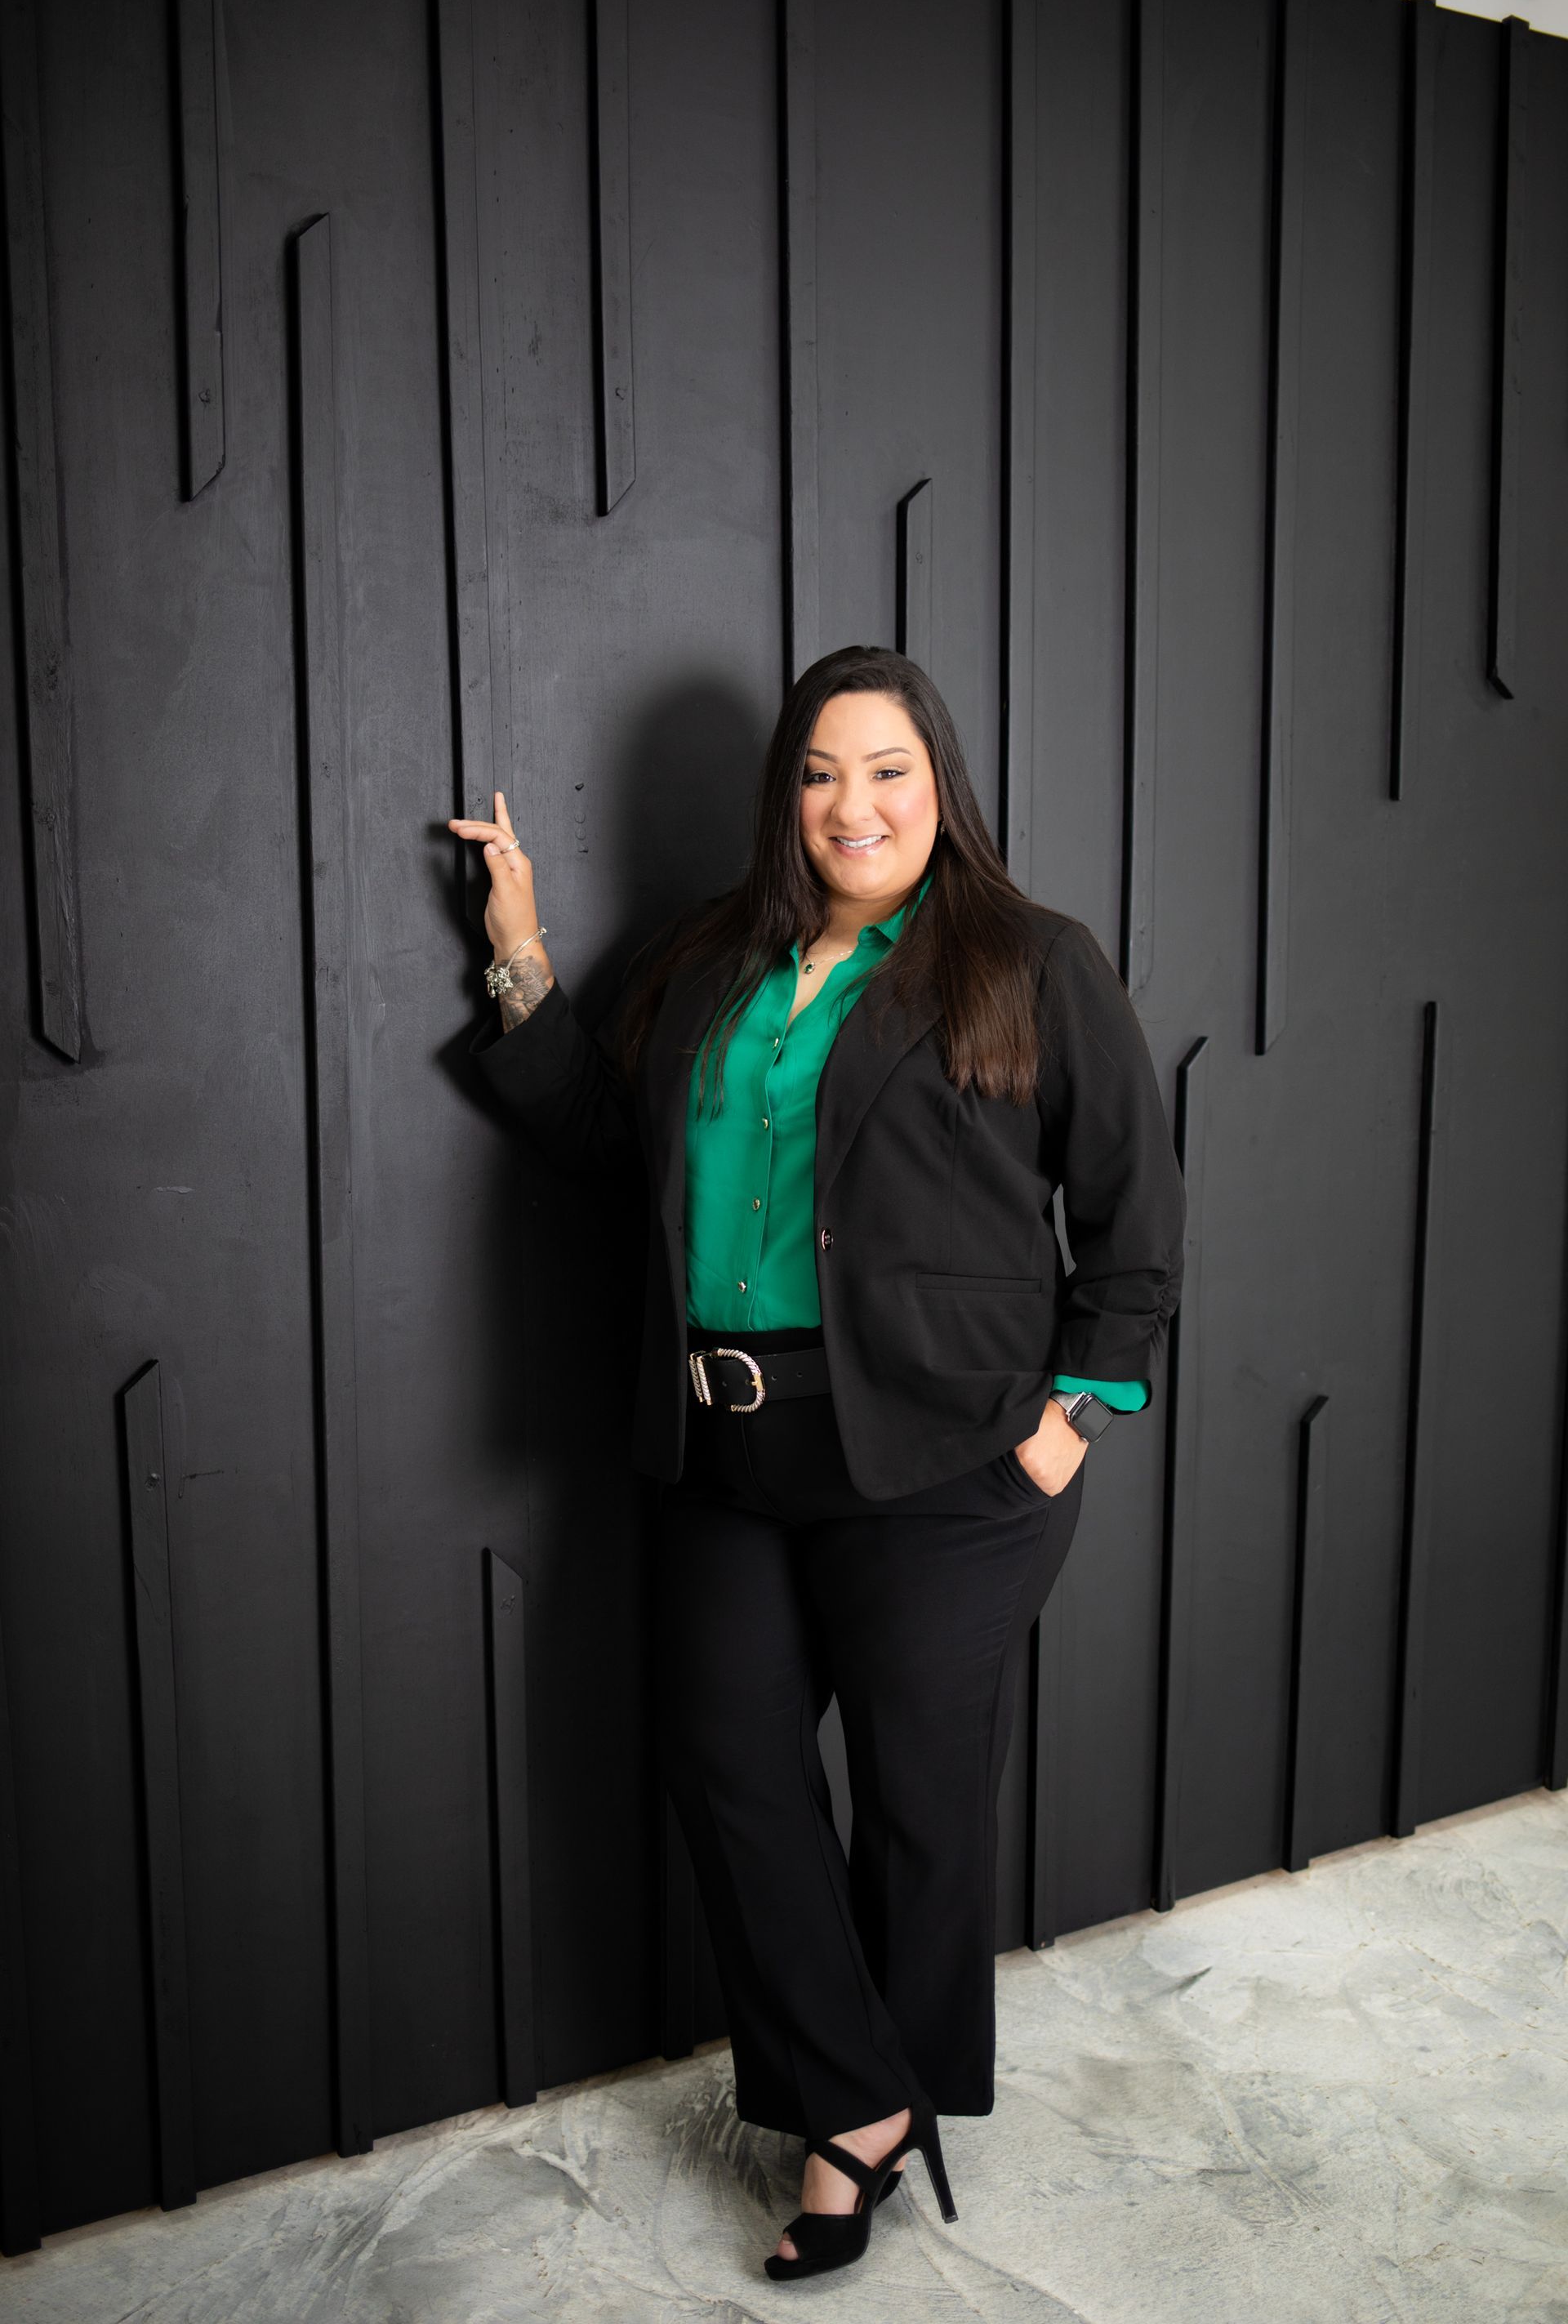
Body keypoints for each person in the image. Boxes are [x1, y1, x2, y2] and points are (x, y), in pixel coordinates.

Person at [450, 645, 1185, 2282]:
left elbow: (1134, 1217)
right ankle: (862, 2102)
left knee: (918, 1811)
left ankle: (858, 2127)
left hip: (945, 1465)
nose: (853, 805)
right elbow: (603, 1146)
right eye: (819, 773)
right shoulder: (713, 964)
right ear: (785, 796)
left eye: (888, 772)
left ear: (942, 791)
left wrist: (1073, 1427)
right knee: (731, 1772)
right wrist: (517, 964)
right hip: (725, 1446)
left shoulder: (1028, 963)